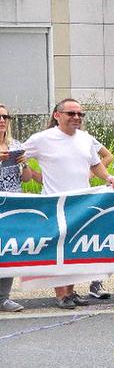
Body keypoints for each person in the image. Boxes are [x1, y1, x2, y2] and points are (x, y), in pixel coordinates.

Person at [22, 98, 114, 309]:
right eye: (71, 114)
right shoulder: (42, 139)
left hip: (81, 202)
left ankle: (70, 291)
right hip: (55, 203)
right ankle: (61, 295)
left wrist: (109, 178)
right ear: (57, 116)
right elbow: (18, 156)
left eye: (80, 114)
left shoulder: (85, 139)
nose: (76, 118)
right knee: (59, 248)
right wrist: (32, 174)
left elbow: (96, 165)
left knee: (74, 248)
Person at [0, 103, 32, 312]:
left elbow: (27, 179)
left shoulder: (15, 144)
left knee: (9, 249)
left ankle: (3, 297)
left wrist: (25, 163)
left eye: (5, 117)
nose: (2, 120)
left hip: (12, 204)